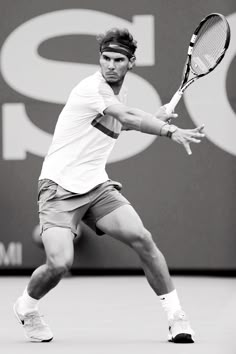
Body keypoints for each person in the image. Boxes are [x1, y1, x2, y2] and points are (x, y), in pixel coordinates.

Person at [14, 28, 204, 344]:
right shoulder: (90, 88)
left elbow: (123, 121)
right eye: (106, 58)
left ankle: (176, 317)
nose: (111, 65)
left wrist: (155, 118)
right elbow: (125, 115)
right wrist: (168, 130)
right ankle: (26, 306)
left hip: (96, 186)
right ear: (99, 59)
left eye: (118, 59)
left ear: (131, 63)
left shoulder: (117, 96)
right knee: (59, 264)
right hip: (58, 187)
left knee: (142, 238)